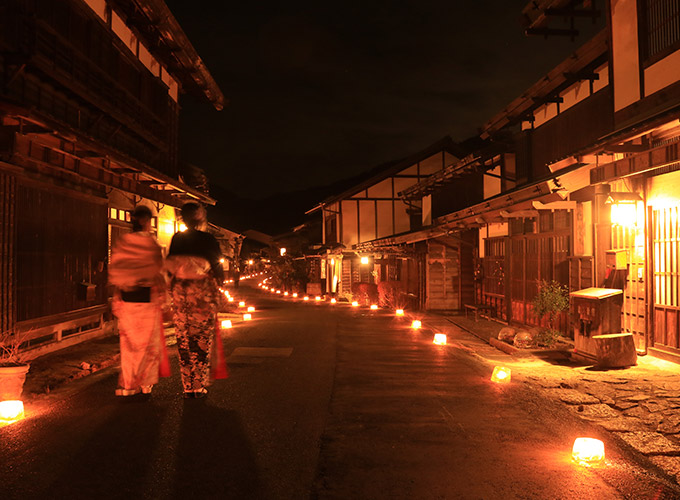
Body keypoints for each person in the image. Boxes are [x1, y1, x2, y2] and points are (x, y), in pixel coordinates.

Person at [166, 202, 224, 398]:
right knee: (200, 338)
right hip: (201, 292)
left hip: (180, 291)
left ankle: (187, 386)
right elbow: (217, 267)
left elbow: (169, 267)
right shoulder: (208, 240)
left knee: (183, 338)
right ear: (201, 218)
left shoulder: (177, 239)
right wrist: (219, 285)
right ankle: (198, 386)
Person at [108, 205, 167, 396]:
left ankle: (128, 385)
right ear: (148, 222)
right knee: (148, 345)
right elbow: (158, 272)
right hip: (147, 298)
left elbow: (116, 270)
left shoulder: (123, 242)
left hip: (126, 298)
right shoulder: (152, 244)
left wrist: (118, 294)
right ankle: (145, 383)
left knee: (129, 346)